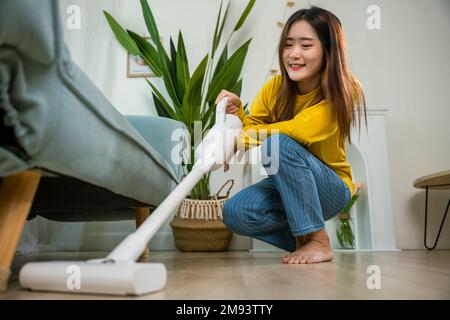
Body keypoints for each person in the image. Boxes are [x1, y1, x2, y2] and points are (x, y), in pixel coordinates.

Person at [215, 6, 367, 264]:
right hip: (288, 189)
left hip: (330, 189)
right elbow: (253, 124)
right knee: (235, 212)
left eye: (306, 45)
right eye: (288, 45)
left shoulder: (344, 88)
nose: (294, 54)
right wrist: (239, 113)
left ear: (328, 50)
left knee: (278, 144)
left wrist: (240, 140)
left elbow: (301, 130)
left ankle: (318, 239)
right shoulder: (275, 87)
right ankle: (303, 238)